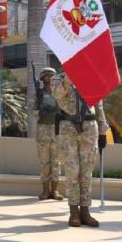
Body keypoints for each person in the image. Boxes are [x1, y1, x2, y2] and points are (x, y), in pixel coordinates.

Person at [52, 73, 108, 227]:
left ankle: (85, 210)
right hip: (68, 128)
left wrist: (103, 131)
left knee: (86, 172)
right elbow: (58, 94)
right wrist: (70, 77)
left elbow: (98, 104)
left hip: (89, 128)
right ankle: (73, 212)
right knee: (72, 171)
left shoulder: (91, 78)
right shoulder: (58, 79)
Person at [34, 68, 63, 201]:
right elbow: (33, 112)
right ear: (42, 78)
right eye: (47, 76)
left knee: (56, 161)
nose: (49, 78)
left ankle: (55, 190)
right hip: (43, 129)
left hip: (57, 129)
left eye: (52, 76)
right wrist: (40, 111)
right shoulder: (39, 94)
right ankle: (45, 190)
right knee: (44, 161)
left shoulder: (60, 93)